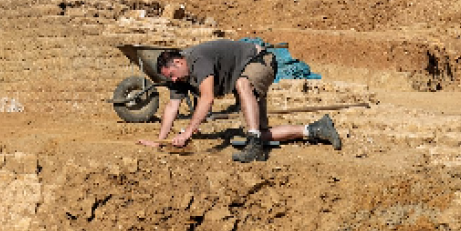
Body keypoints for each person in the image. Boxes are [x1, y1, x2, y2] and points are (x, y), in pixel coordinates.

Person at [138, 39, 342, 163]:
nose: (173, 80)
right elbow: (172, 106)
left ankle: (253, 144)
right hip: (245, 73)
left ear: (178, 61)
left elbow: (207, 99)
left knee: (243, 85)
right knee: (262, 133)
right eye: (169, 78)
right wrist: (159, 141)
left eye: (172, 74)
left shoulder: (198, 60)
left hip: (260, 60)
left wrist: (188, 132)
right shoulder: (179, 77)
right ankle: (315, 129)